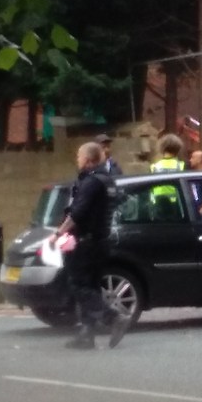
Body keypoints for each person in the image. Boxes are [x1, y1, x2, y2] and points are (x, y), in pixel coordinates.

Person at [48, 142, 131, 350]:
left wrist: (58, 234)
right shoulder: (108, 181)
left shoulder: (92, 182)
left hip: (86, 242)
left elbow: (78, 213)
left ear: (88, 159)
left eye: (79, 156)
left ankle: (112, 318)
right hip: (101, 242)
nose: (77, 160)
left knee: (78, 285)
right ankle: (87, 335)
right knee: (92, 286)